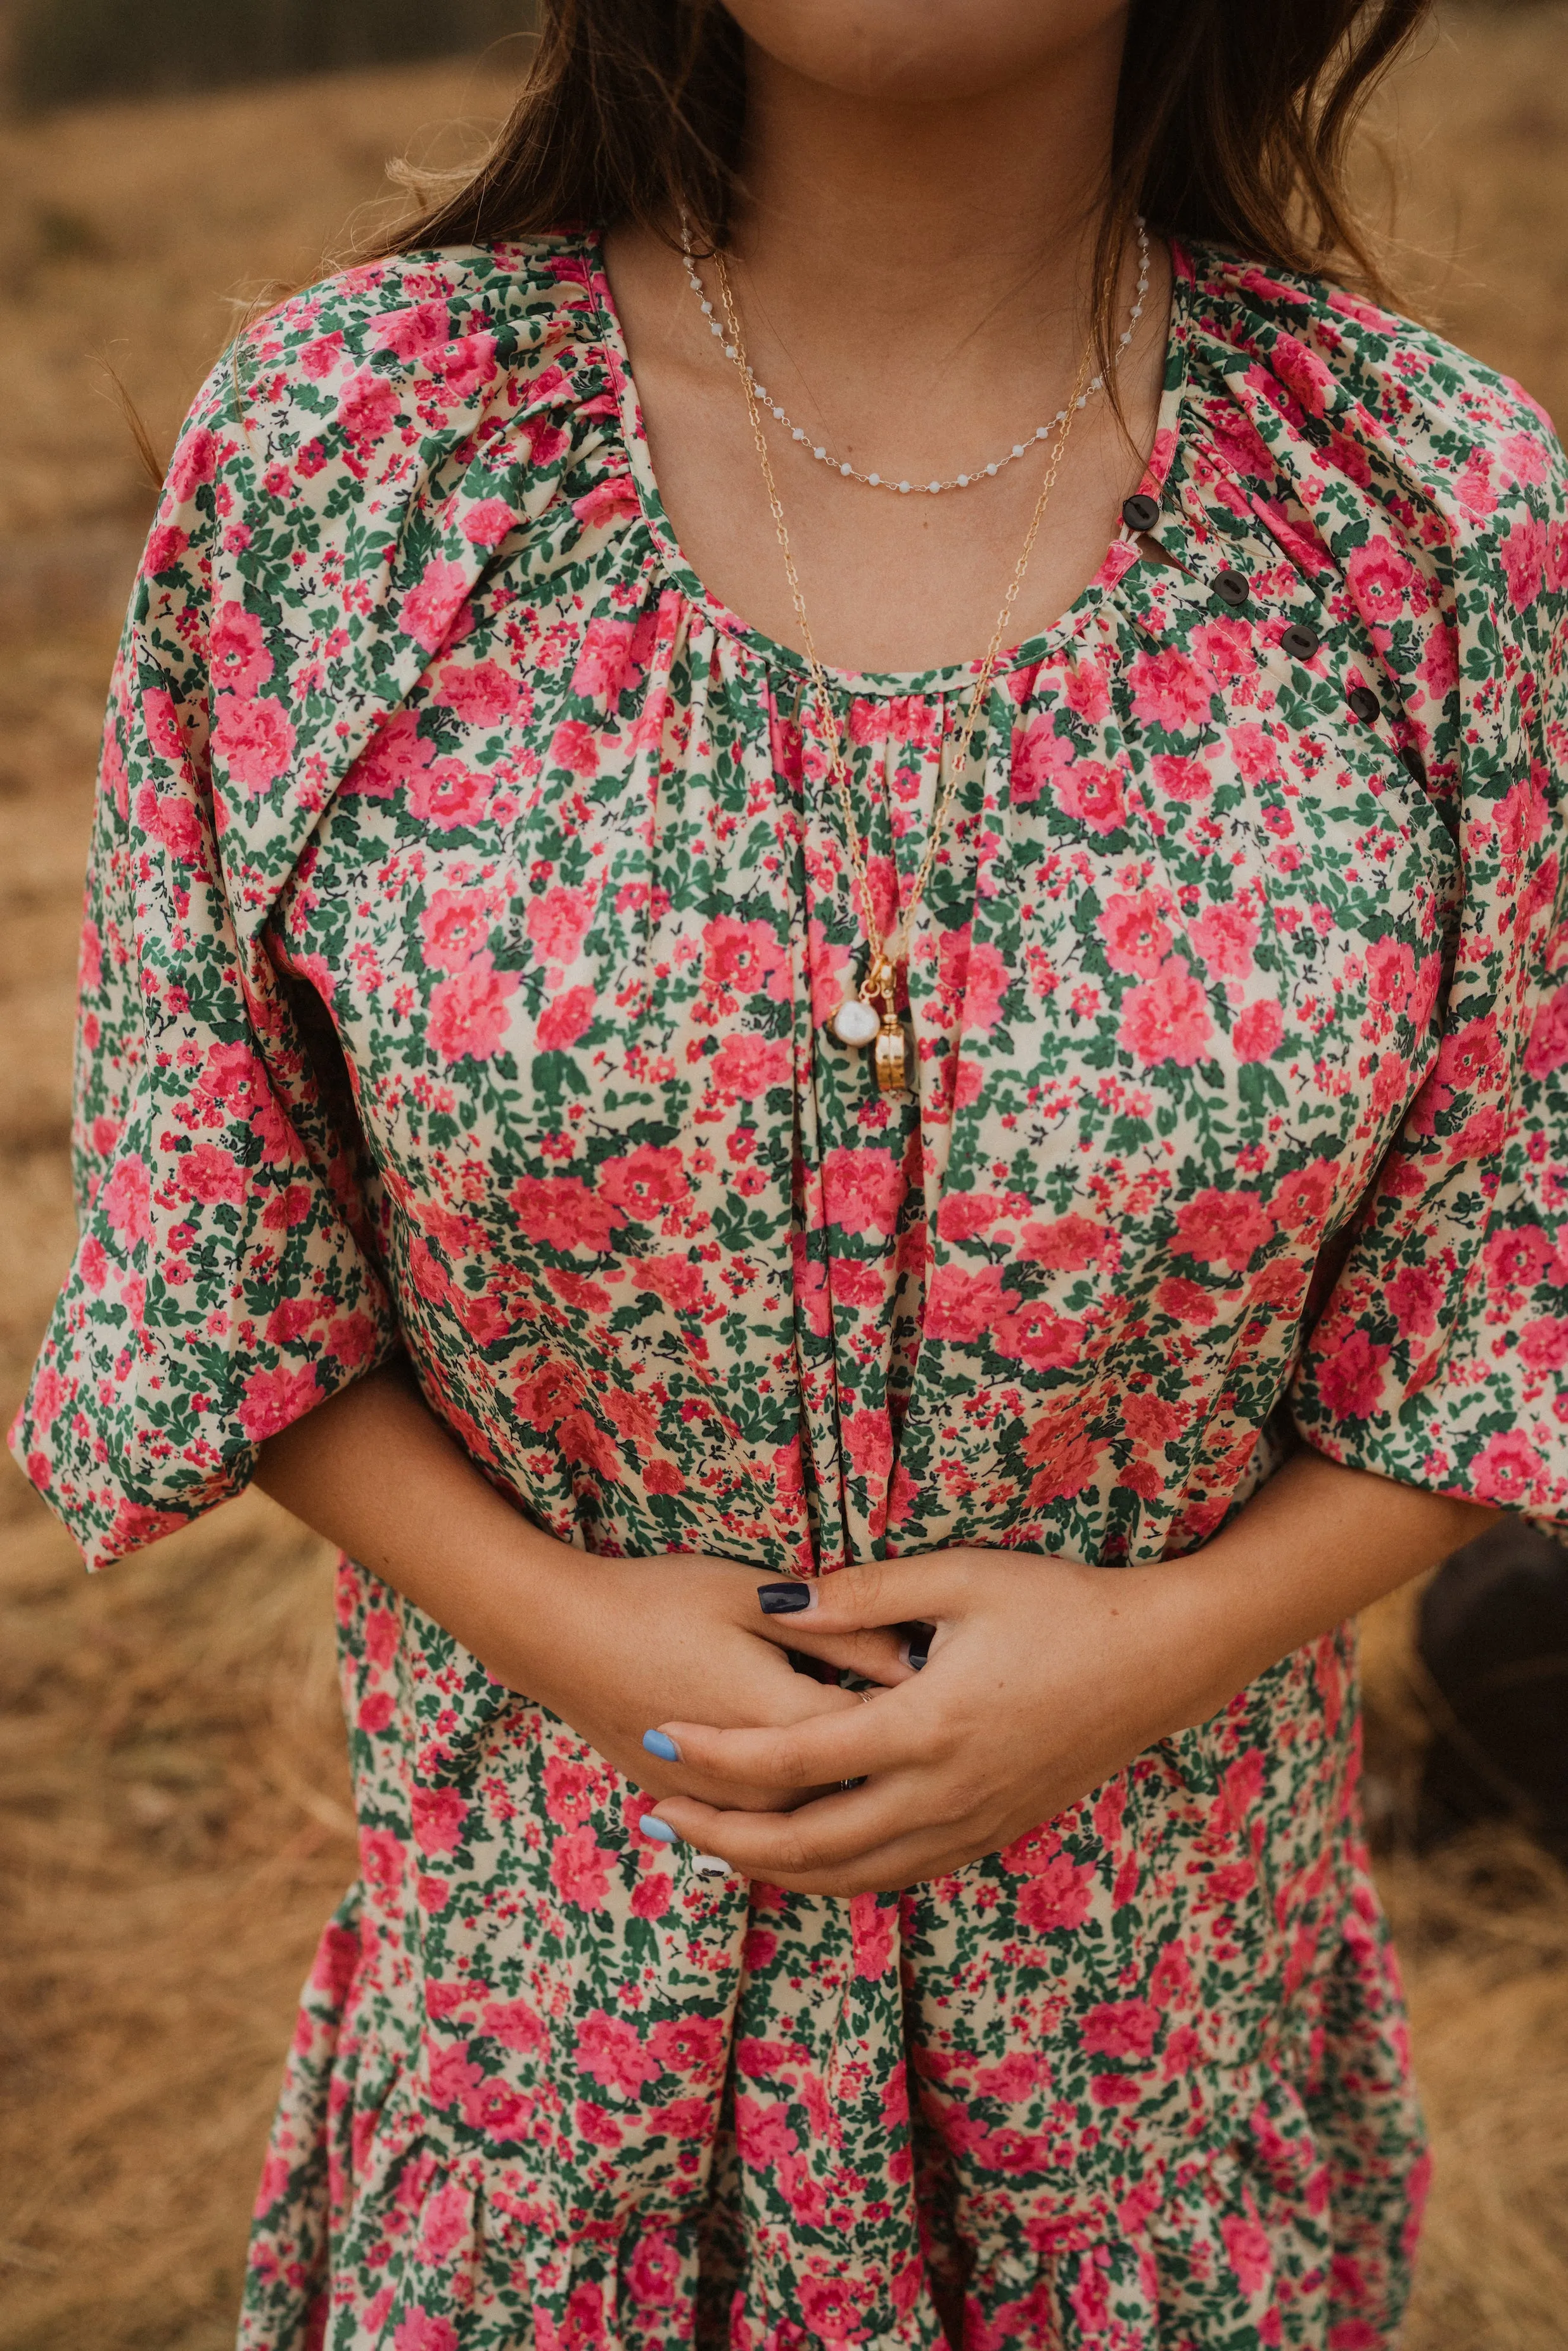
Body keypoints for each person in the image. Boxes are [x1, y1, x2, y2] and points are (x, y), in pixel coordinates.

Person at [13, 0, 1567, 2342]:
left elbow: (1508, 1273)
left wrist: (1150, 1652)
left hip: (1144, 2120)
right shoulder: (349, 456)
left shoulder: (1428, 514)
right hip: (543, 2122)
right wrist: (576, 1632)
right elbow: (213, 1246)